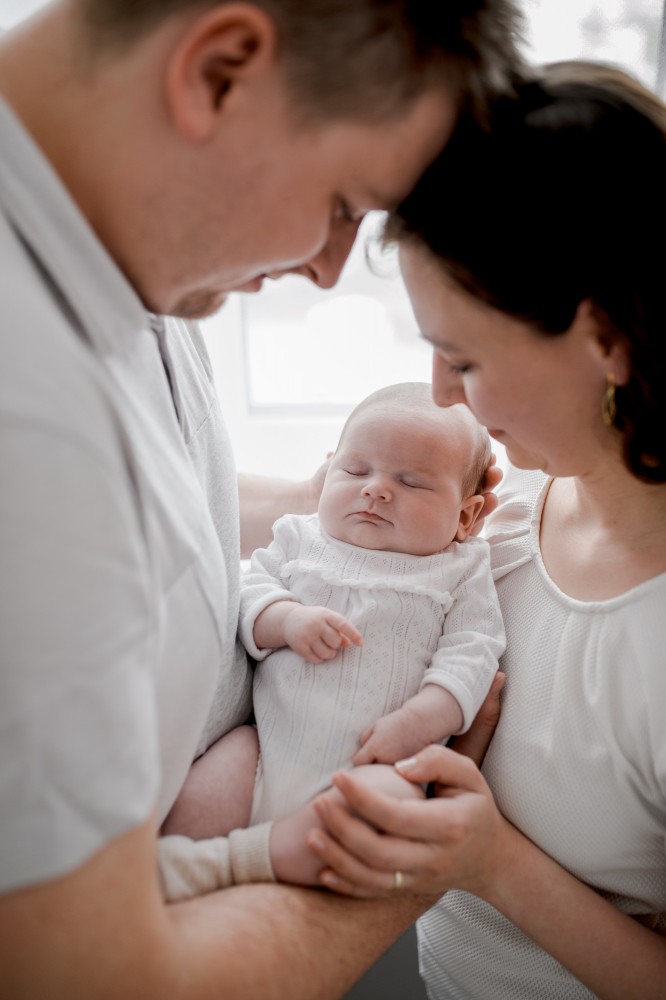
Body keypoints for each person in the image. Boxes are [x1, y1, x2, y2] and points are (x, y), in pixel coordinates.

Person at [0, 0, 525, 995]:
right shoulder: (24, 404)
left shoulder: (129, 260)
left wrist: (363, 517)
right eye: (341, 201)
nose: (330, 268)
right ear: (221, 72)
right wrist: (409, 869)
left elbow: (146, 508)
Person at [302, 61, 666, 999]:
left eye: (463, 356)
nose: (440, 392)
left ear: (606, 340)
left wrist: (494, 862)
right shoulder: (501, 514)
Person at [157, 385, 504, 897]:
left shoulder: (460, 567)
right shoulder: (299, 536)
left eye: (412, 483)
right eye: (356, 471)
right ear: (327, 470)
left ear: (467, 516)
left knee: (382, 826)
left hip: (376, 762)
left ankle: (227, 863)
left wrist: (424, 717)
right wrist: (285, 619)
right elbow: (250, 588)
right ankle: (203, 856)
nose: (377, 490)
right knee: (194, 802)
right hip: (266, 747)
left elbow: (475, 647)